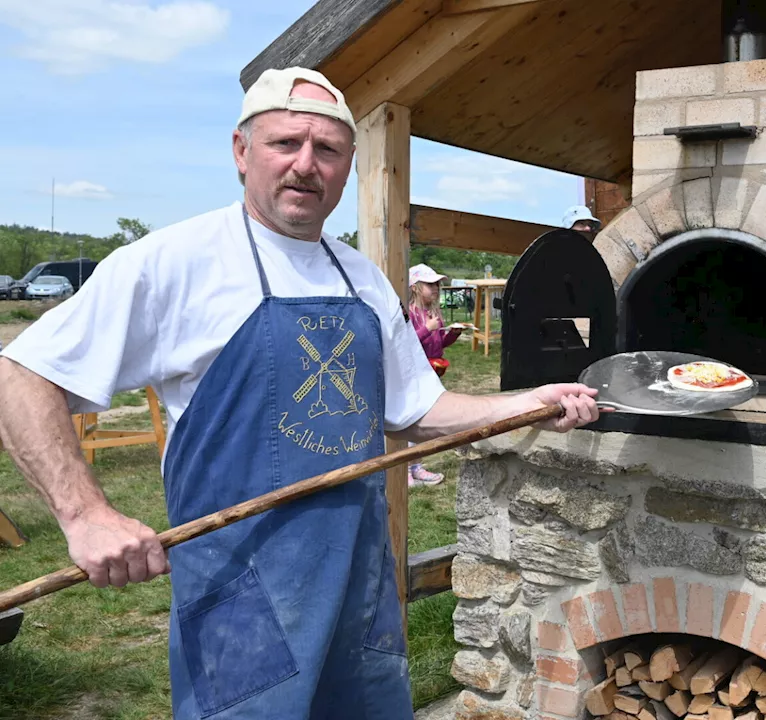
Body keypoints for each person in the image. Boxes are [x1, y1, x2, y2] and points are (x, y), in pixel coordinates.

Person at [0, 67, 599, 719]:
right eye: (285, 143)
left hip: (360, 597)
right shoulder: (175, 263)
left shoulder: (364, 280)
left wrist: (527, 403)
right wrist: (84, 514)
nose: (306, 165)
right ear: (241, 151)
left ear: (347, 167)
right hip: (243, 605)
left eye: (328, 150)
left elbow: (418, 412)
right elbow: (21, 375)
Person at [406, 263, 463, 487]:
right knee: (411, 421)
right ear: (415, 287)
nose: (436, 288)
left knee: (422, 422)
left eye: (438, 284)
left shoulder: (433, 313)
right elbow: (407, 343)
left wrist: (454, 334)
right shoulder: (410, 313)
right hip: (415, 373)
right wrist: (427, 328)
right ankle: (405, 471)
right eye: (430, 284)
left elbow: (439, 344)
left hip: (433, 371)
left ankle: (416, 467)